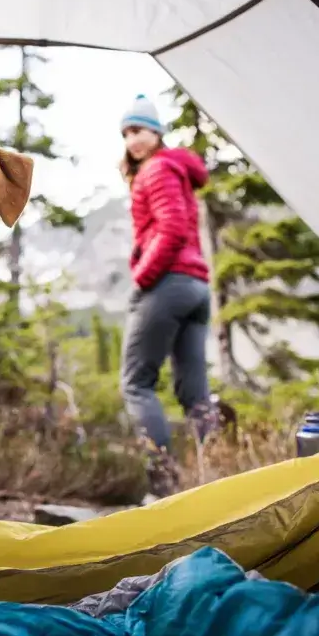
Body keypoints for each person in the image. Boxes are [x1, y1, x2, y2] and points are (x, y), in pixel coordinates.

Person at [117, 94, 218, 496]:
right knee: (194, 393)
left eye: (139, 130)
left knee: (136, 384)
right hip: (197, 288)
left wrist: (142, 278)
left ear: (157, 132)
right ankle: (217, 470)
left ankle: (162, 485)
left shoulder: (156, 170)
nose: (132, 140)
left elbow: (172, 229)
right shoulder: (176, 169)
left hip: (169, 284)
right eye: (126, 133)